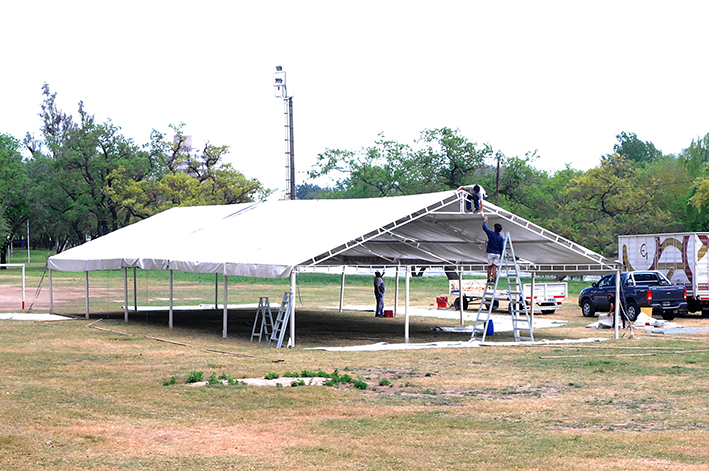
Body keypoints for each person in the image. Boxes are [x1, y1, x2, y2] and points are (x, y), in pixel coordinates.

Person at [482, 216, 503, 283]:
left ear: (495, 229)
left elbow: (484, 228)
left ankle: (488, 279)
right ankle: (493, 279)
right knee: (494, 267)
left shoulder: (491, 234)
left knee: (489, 266)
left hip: (491, 252)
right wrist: (501, 254)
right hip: (497, 253)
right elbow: (502, 247)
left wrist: (485, 220)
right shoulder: (501, 238)